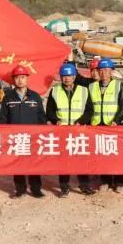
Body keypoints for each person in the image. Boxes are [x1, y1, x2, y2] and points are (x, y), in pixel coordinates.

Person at [0, 65, 47, 198]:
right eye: (17, 77)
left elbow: (41, 117)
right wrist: (3, 135)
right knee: (17, 164)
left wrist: (42, 134)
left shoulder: (35, 96)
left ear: (27, 79)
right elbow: (3, 118)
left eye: (22, 77)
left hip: (33, 137)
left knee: (34, 164)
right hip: (15, 138)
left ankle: (36, 189)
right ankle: (20, 189)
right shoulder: (8, 97)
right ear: (13, 80)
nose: (20, 80)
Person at [46, 63, 95, 196]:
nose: (67, 78)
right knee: (63, 160)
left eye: (69, 76)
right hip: (62, 132)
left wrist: (81, 122)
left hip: (79, 131)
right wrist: (56, 121)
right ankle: (64, 187)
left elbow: (90, 110)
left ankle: (84, 186)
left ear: (74, 76)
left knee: (81, 159)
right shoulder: (55, 91)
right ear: (61, 77)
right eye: (64, 76)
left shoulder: (84, 90)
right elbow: (49, 110)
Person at [90, 57, 123, 192]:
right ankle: (105, 180)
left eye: (107, 70)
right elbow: (89, 107)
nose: (104, 72)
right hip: (98, 126)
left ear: (111, 71)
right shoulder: (92, 86)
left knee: (117, 154)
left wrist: (116, 121)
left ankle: (119, 182)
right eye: (101, 70)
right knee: (103, 155)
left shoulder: (119, 86)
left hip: (114, 126)